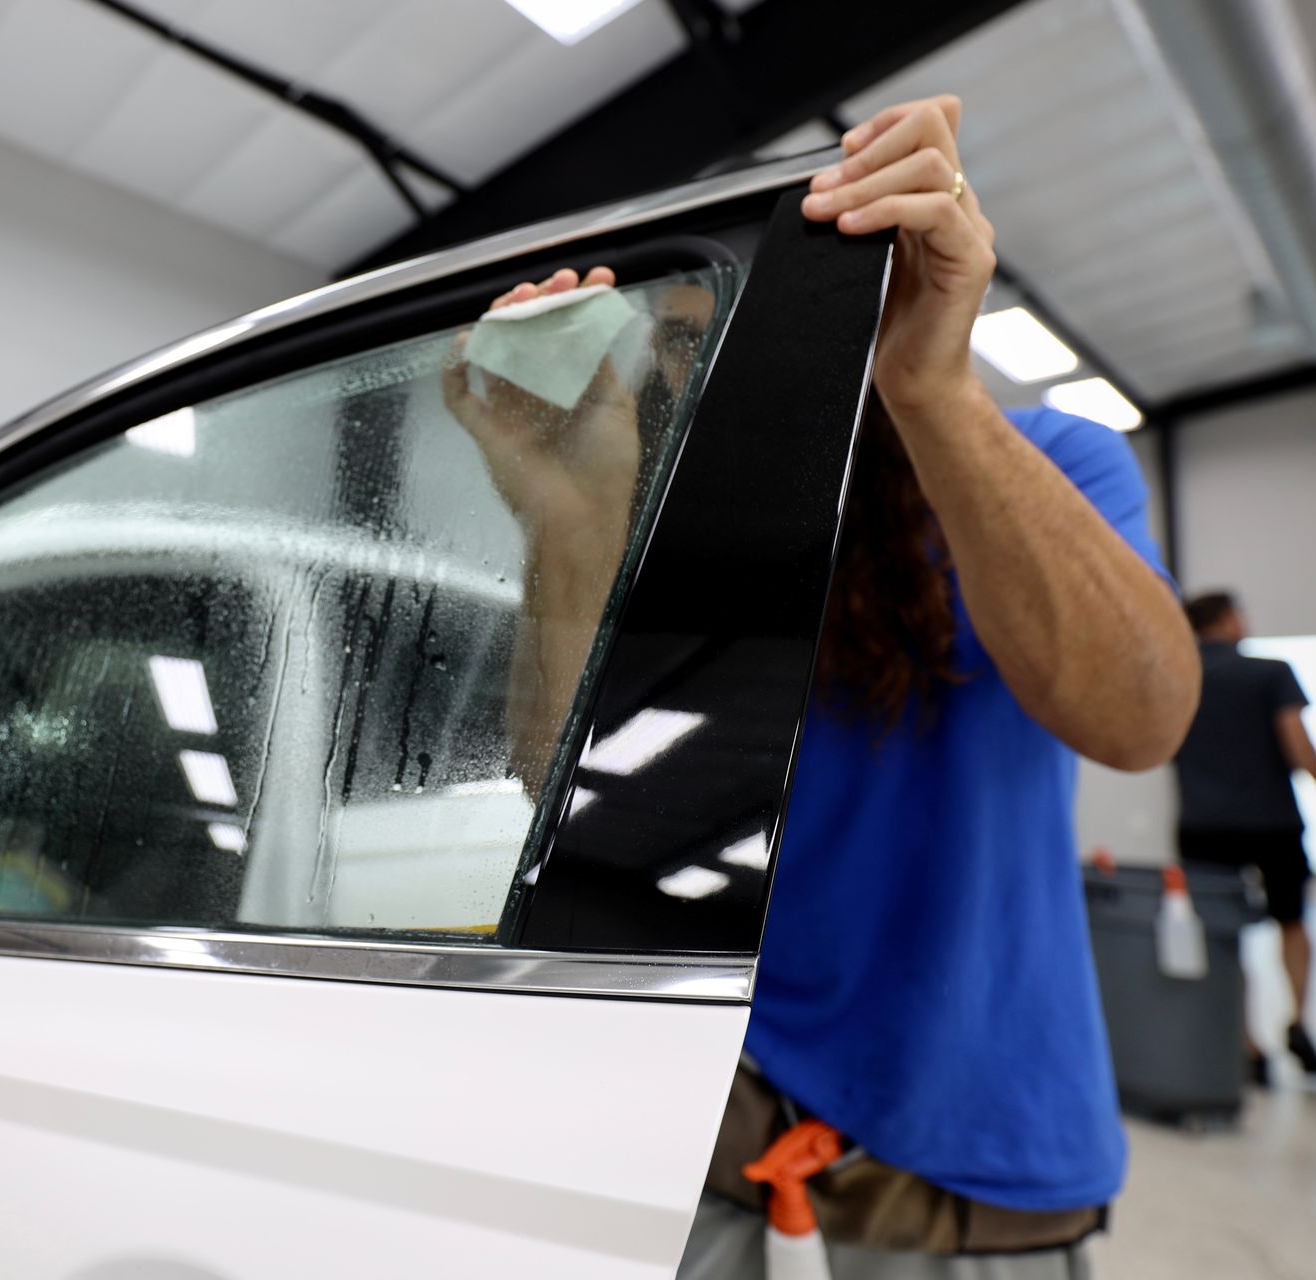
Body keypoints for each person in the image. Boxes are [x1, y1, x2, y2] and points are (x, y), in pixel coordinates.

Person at [447, 94, 1201, 1277]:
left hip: (967, 1168)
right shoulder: (675, 533)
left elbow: (1141, 717)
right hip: (709, 1144)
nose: (739, 372)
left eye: (786, 320)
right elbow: (550, 804)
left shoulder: (1053, 460)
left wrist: (931, 382)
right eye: (692, 344)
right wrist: (574, 522)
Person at [1174, 590, 1316, 1082]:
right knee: (1293, 921)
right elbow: (1296, 741)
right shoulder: (1269, 672)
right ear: (1226, 620)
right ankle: (1298, 1021)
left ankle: (1245, 1043)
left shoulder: (1180, 678)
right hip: (1272, 822)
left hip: (1203, 825)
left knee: (1224, 935)